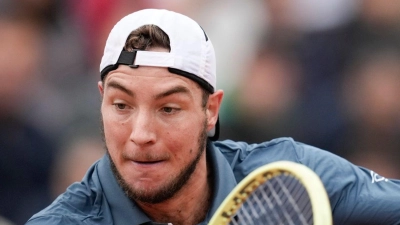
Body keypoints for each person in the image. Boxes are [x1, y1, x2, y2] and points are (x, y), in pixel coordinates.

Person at [26, 9, 400, 225]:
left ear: (211, 111)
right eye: (121, 105)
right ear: (101, 102)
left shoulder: (292, 177)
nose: (140, 134)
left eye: (168, 108)